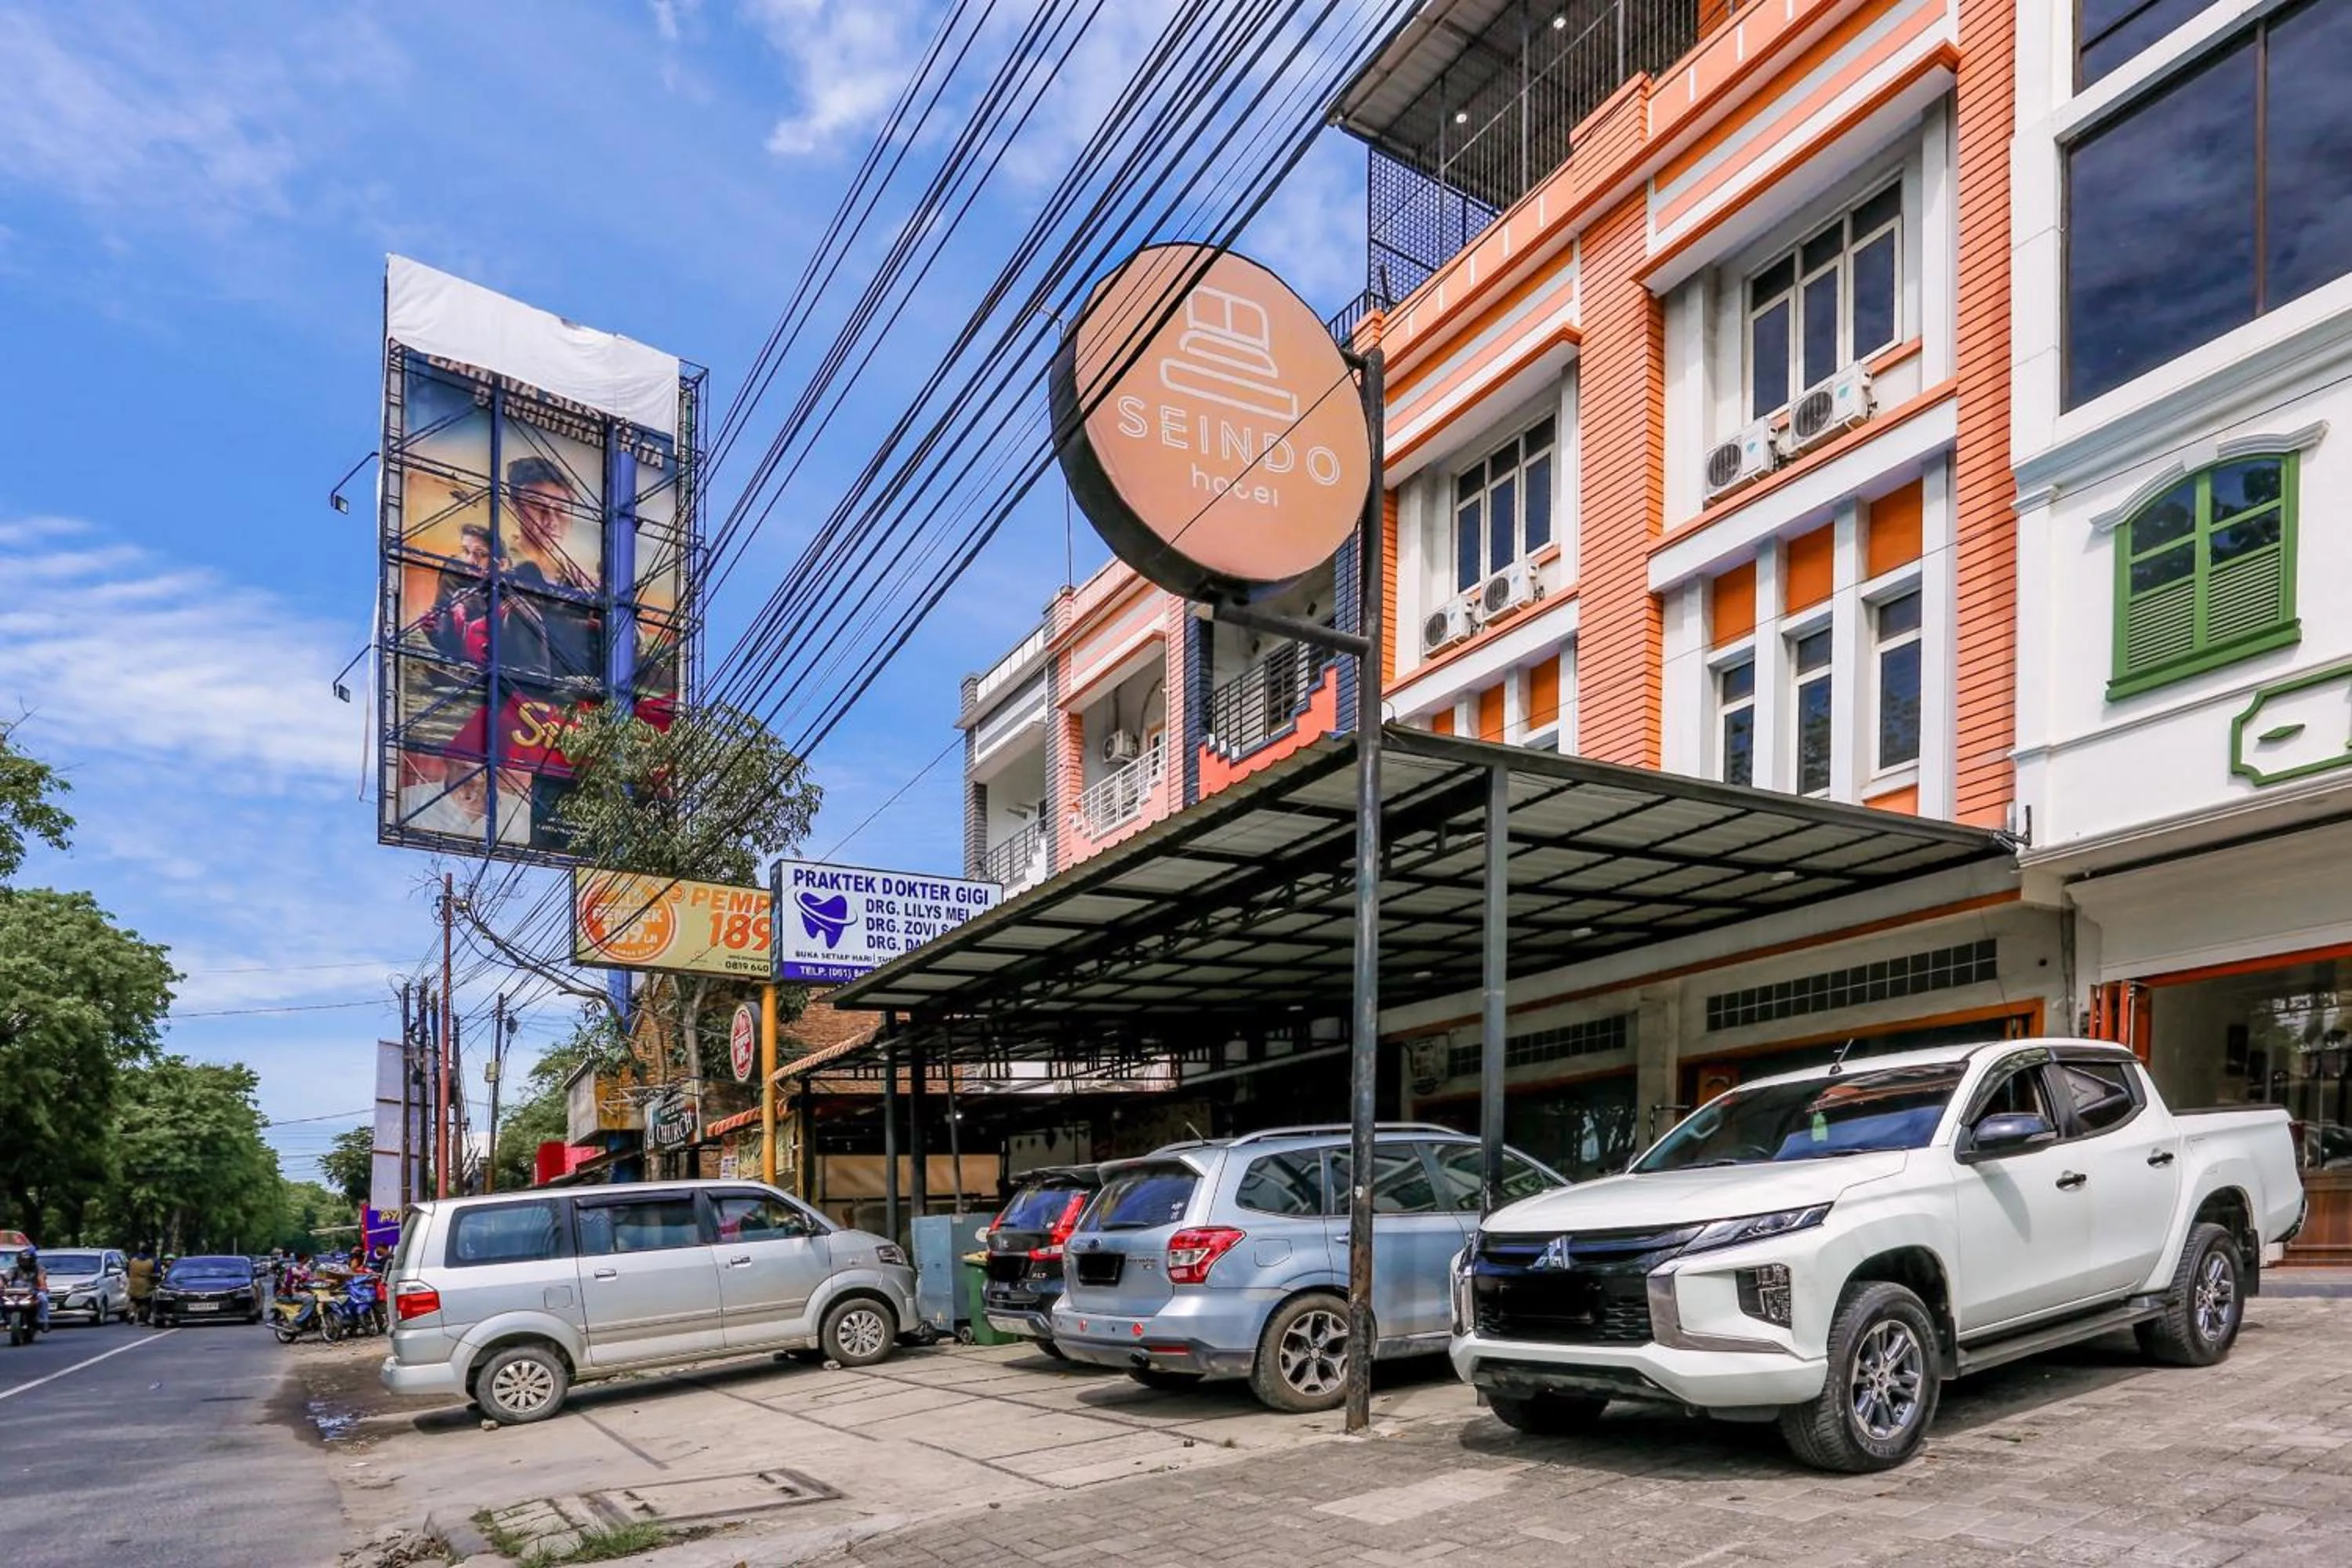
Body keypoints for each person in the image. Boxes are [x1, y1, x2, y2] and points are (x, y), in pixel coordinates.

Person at [6, 1243, 47, 1331]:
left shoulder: (38, 1268)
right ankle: (2, 1320)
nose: (25, 1263)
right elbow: (6, 1278)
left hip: (34, 1292)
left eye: (27, 1261)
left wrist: (43, 1286)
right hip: (15, 1293)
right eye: (23, 1261)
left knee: (43, 1299)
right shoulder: (14, 1269)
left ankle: (43, 1321)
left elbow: (41, 1277)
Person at [125, 1248, 156, 1325]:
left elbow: (127, 1271)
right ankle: (144, 1318)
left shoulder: (132, 1261)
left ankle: (131, 1314)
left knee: (133, 1299)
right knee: (146, 1301)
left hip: (133, 1282)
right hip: (145, 1283)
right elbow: (156, 1274)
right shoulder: (151, 1261)